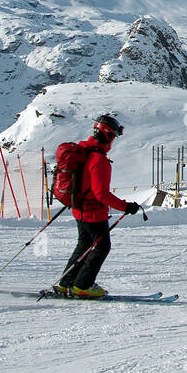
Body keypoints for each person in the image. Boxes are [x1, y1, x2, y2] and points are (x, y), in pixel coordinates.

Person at [55, 114, 139, 299]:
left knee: (84, 244)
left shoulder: (83, 151)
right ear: (107, 135)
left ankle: (67, 283)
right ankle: (82, 286)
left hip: (79, 208)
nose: (114, 140)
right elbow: (101, 193)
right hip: (93, 212)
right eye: (114, 136)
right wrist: (125, 206)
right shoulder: (99, 160)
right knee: (102, 247)